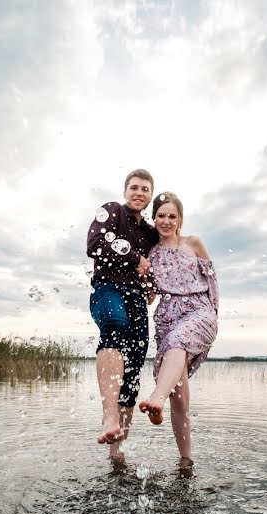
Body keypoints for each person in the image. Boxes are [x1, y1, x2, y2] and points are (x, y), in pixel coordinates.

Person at [138, 192, 219, 469]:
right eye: (161, 215)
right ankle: (186, 461)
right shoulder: (151, 254)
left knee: (178, 340)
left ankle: (155, 397)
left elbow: (213, 283)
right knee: (180, 397)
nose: (166, 221)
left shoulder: (193, 243)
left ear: (180, 219)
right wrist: (142, 277)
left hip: (199, 313)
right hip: (167, 319)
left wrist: (213, 316)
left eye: (172, 216)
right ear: (154, 218)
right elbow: (150, 297)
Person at [87, 169, 159, 461]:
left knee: (133, 369)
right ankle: (108, 416)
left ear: (150, 195)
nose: (139, 193)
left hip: (137, 300)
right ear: (125, 190)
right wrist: (135, 258)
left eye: (145, 189)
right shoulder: (111, 211)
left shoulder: (152, 233)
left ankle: (118, 450)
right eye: (134, 187)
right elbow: (95, 245)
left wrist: (151, 285)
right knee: (114, 327)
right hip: (107, 289)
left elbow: (154, 265)